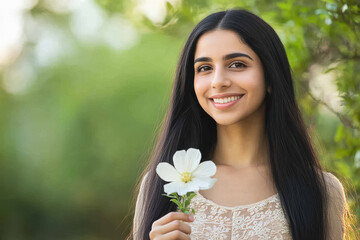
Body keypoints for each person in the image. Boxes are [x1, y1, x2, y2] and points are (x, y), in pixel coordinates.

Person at [129, 8, 350, 240]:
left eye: (237, 65)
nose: (218, 81)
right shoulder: (160, 186)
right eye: (204, 68)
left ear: (270, 77)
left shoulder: (323, 191)